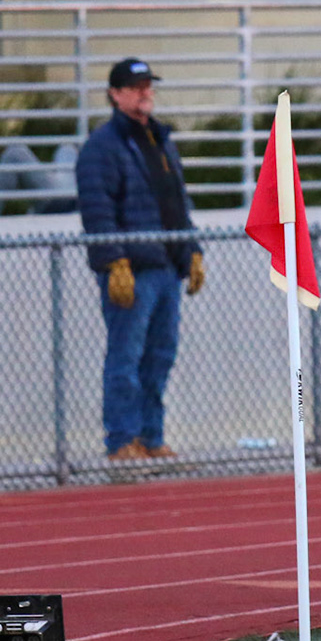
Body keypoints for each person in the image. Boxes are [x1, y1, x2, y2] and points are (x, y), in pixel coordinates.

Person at [75, 58, 204, 463]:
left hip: (166, 266)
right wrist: (114, 262)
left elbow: (177, 202)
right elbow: (98, 210)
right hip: (132, 270)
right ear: (115, 94)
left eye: (148, 85)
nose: (145, 92)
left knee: (160, 357)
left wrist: (192, 249)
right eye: (135, 87)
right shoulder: (102, 147)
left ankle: (151, 437)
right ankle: (122, 440)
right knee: (126, 357)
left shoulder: (160, 139)